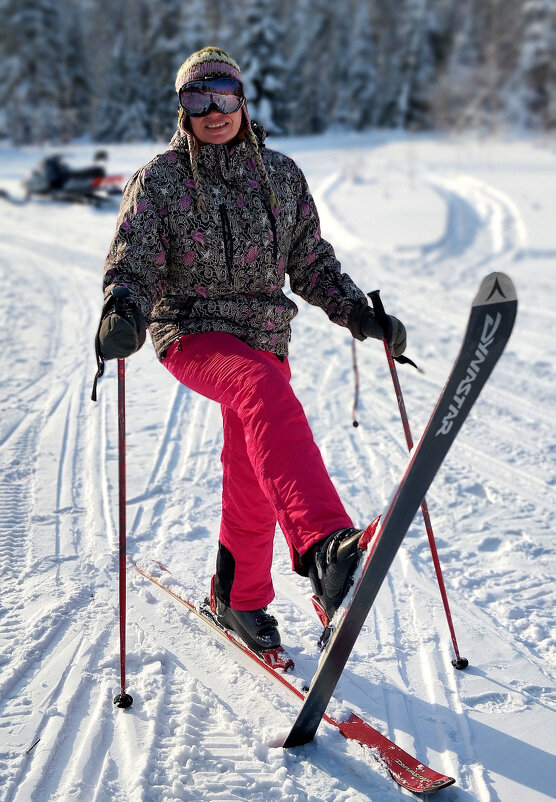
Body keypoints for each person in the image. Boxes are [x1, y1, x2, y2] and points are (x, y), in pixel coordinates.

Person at [95, 47, 406, 654]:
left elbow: (310, 262)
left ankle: (238, 600)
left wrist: (359, 314)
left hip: (264, 335)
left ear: (242, 99)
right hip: (191, 332)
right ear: (182, 110)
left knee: (254, 471)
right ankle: (323, 550)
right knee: (263, 391)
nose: (213, 111)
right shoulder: (158, 182)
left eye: (223, 95)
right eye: (197, 99)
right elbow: (131, 260)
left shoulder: (281, 175)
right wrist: (124, 308)